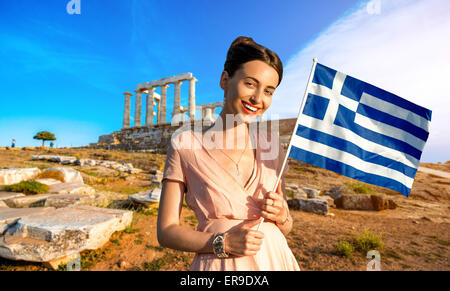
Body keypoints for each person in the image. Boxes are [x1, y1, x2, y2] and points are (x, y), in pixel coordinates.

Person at [157, 36, 300, 271]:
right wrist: (222, 242)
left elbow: (285, 226)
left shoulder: (272, 145)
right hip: (220, 265)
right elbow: (166, 231)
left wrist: (283, 215)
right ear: (225, 79)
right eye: (250, 84)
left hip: (275, 259)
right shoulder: (184, 143)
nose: (258, 99)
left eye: (269, 91)